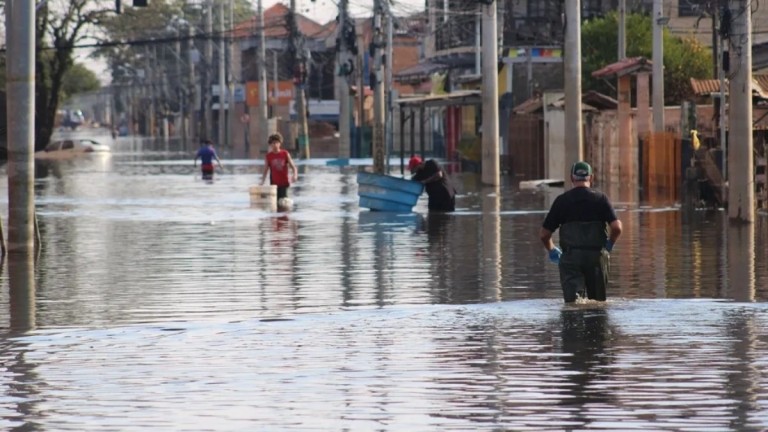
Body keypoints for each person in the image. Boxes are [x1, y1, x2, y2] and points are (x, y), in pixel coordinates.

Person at [540, 161, 622, 303]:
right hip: (596, 258)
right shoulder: (601, 199)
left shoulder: (562, 201)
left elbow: (544, 234)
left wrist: (552, 250)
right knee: (598, 305)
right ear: (591, 178)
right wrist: (609, 245)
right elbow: (617, 227)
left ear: (572, 178)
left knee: (573, 305)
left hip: (571, 258)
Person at [260, 132, 298, 200]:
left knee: (283, 201)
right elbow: (265, 170)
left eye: (277, 143)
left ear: (280, 143)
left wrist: (295, 175)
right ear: (270, 144)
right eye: (273, 143)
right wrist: (262, 181)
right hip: (274, 184)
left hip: (284, 183)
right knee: (275, 201)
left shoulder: (285, 154)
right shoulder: (268, 156)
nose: (275, 145)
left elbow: (294, 167)